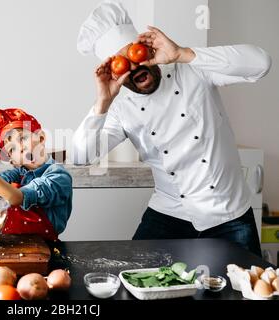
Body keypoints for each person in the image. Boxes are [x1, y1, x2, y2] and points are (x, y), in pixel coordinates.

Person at [73, 2, 272, 256]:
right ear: (114, 72)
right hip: (169, 212)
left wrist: (182, 53)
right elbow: (81, 157)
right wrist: (103, 101)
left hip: (228, 213)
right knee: (133, 282)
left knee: (245, 292)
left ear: (144, 49)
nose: (135, 68)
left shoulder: (192, 69)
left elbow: (261, 63)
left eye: (135, 55)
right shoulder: (122, 107)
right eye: (123, 64)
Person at [0, 108, 72, 241]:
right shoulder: (18, 173)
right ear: (12, 160)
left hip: (45, 245)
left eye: (23, 138)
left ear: (41, 138)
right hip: (11, 243)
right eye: (12, 149)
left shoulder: (58, 176)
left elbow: (16, 198)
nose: (20, 148)